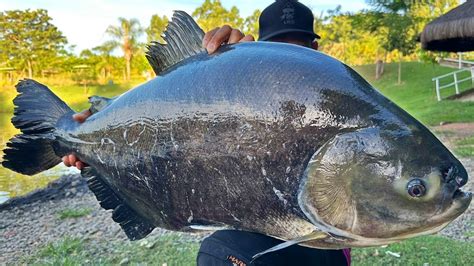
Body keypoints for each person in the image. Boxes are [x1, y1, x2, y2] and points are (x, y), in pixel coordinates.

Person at [63, 1, 350, 265]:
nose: (289, 62)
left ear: (314, 49)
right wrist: (105, 129)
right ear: (264, 48)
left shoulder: (338, 99)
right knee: (220, 252)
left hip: (321, 241)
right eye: (279, 47)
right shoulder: (240, 93)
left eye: (298, 48)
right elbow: (176, 131)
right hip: (268, 232)